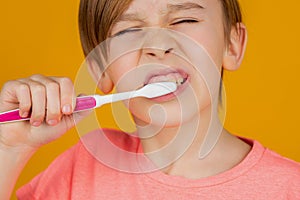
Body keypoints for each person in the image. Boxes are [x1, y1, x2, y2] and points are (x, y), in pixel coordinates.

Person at [0, 0, 299, 199]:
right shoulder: (79, 171)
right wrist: (8, 147)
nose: (157, 45)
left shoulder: (290, 188)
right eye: (130, 30)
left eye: (184, 19)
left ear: (232, 45)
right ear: (100, 69)